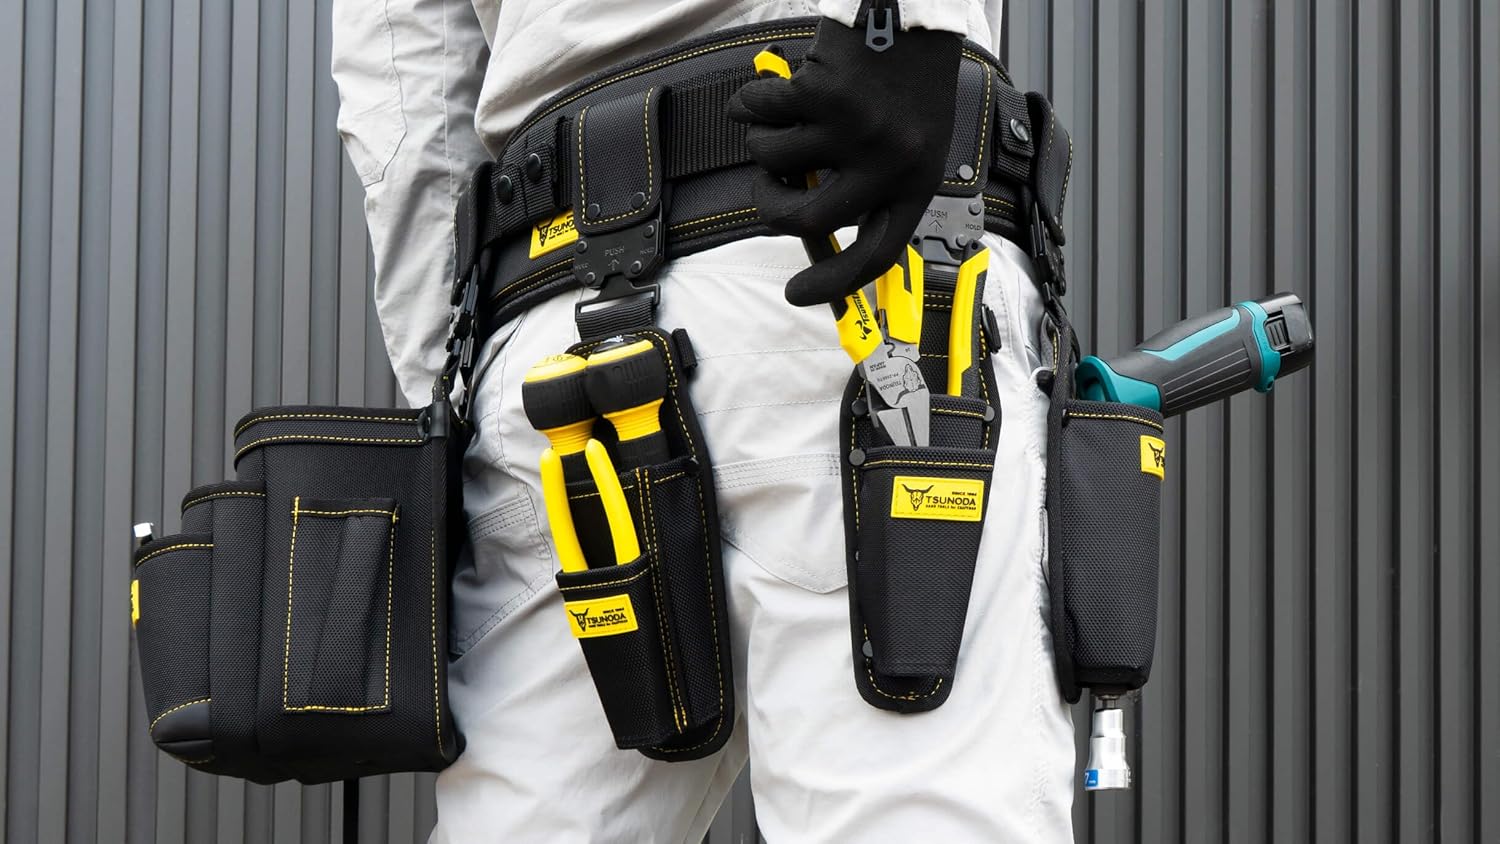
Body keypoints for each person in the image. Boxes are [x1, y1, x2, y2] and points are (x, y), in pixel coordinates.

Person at [332, 1, 1075, 839]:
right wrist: (895, 27)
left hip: (553, 337)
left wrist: (453, 389)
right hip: (853, 241)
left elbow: (401, 71)